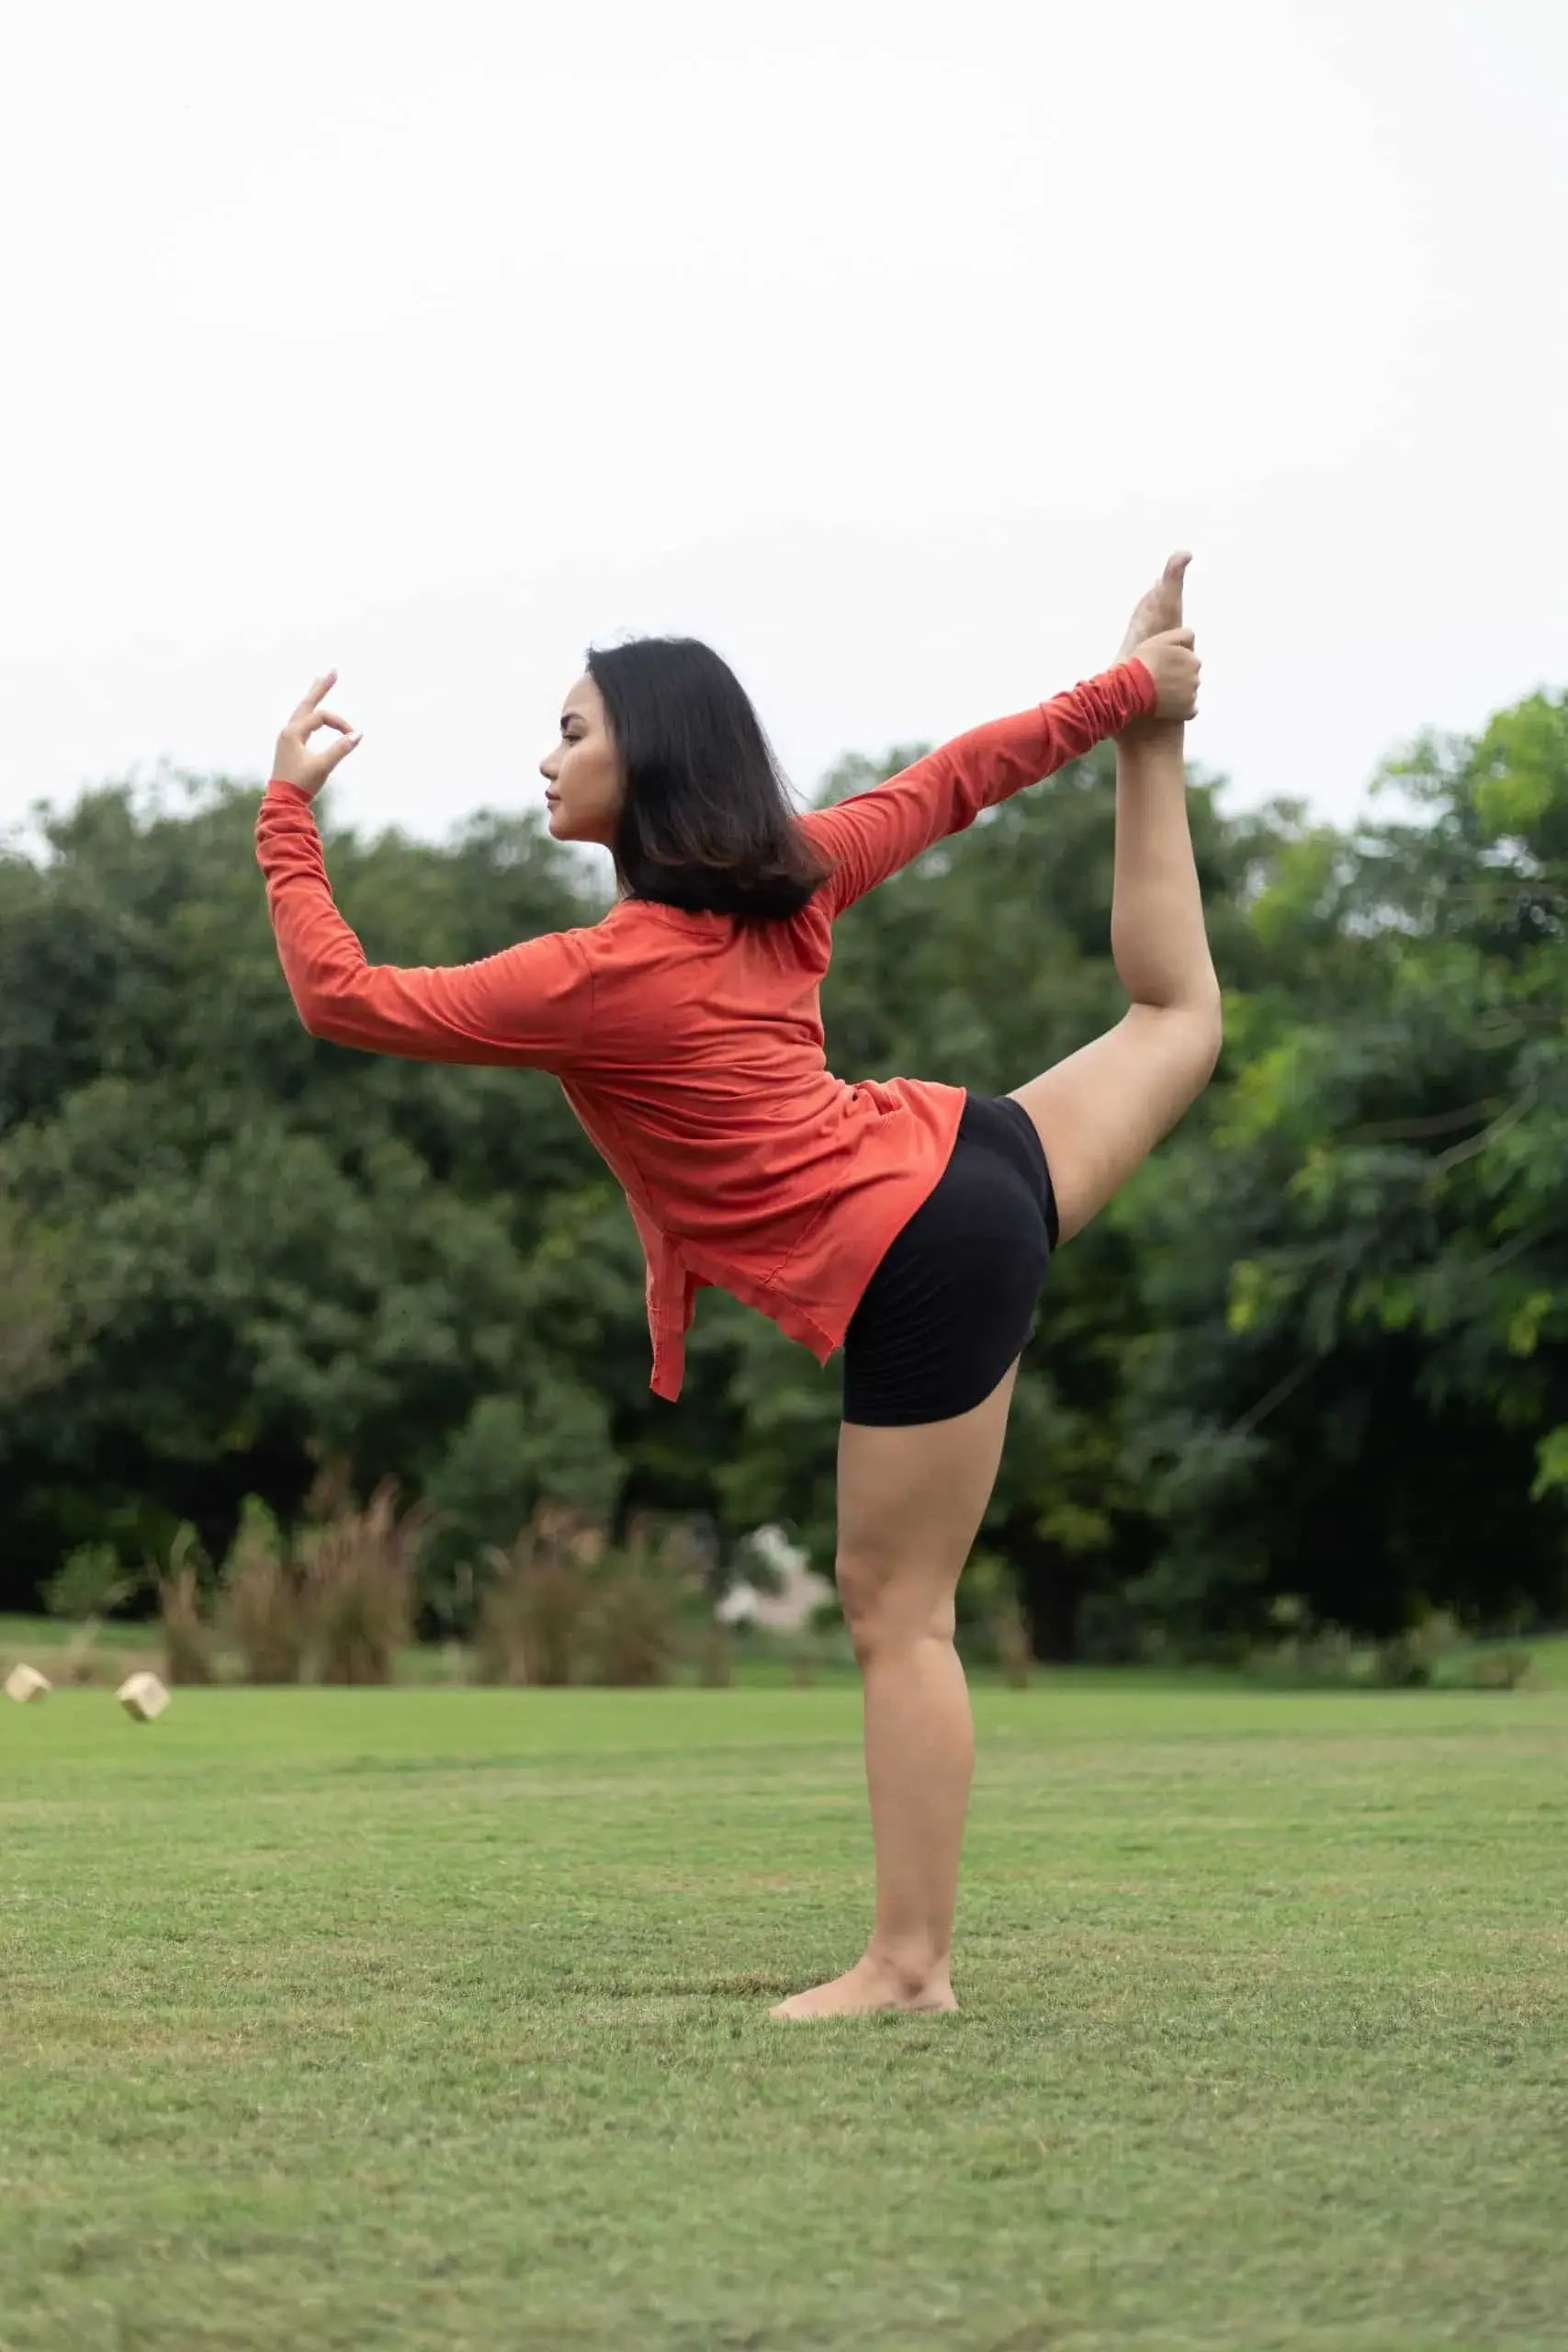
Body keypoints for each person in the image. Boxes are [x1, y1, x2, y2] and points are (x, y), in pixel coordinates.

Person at [255, 553, 1219, 2019]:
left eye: (572, 729)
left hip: (919, 1232)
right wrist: (1128, 700)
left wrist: (285, 819)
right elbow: (960, 779)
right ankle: (1167, 748)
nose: (545, 756)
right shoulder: (792, 883)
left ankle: (908, 1971)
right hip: (980, 1159)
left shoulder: (598, 975)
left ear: (650, 753)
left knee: (899, 1612)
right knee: (1176, 1015)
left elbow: (346, 997)